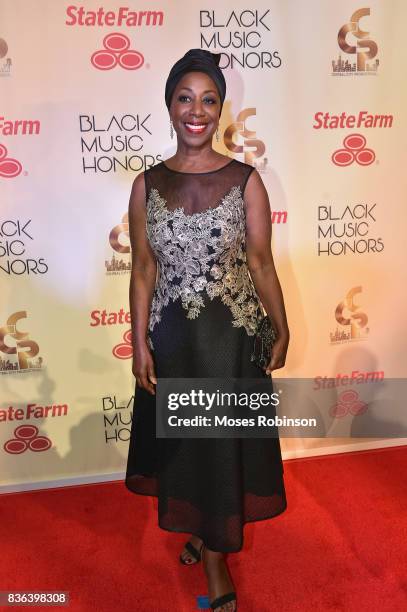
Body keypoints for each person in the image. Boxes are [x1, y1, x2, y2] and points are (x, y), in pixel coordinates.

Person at [125, 48, 290, 612]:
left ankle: (218, 559)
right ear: (169, 105)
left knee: (222, 446)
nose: (196, 111)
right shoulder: (146, 185)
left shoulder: (246, 181)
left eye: (209, 100)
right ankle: (199, 528)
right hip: (174, 344)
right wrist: (138, 339)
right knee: (188, 444)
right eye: (185, 98)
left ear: (221, 110)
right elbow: (143, 267)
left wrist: (282, 327)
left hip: (231, 346)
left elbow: (262, 264)